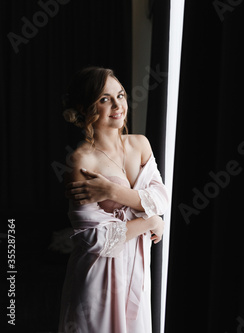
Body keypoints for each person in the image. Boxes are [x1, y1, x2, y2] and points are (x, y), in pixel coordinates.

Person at [58, 66, 168, 333]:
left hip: (137, 269)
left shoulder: (140, 145)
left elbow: (161, 199)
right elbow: (94, 239)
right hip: (100, 275)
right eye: (105, 99)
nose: (118, 105)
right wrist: (149, 221)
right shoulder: (82, 160)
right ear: (85, 108)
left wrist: (113, 192)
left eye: (120, 95)